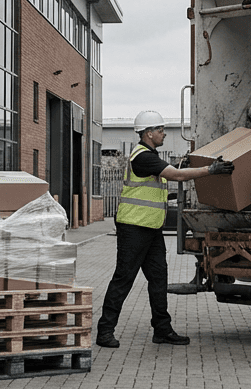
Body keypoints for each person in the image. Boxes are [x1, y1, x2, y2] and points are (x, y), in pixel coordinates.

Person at [97, 110, 234, 348]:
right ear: (148, 133)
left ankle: (162, 330)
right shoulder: (142, 157)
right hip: (134, 229)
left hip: (150, 229)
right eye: (160, 130)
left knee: (159, 279)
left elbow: (161, 181)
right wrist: (208, 170)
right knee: (124, 278)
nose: (164, 134)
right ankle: (105, 331)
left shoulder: (150, 157)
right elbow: (176, 175)